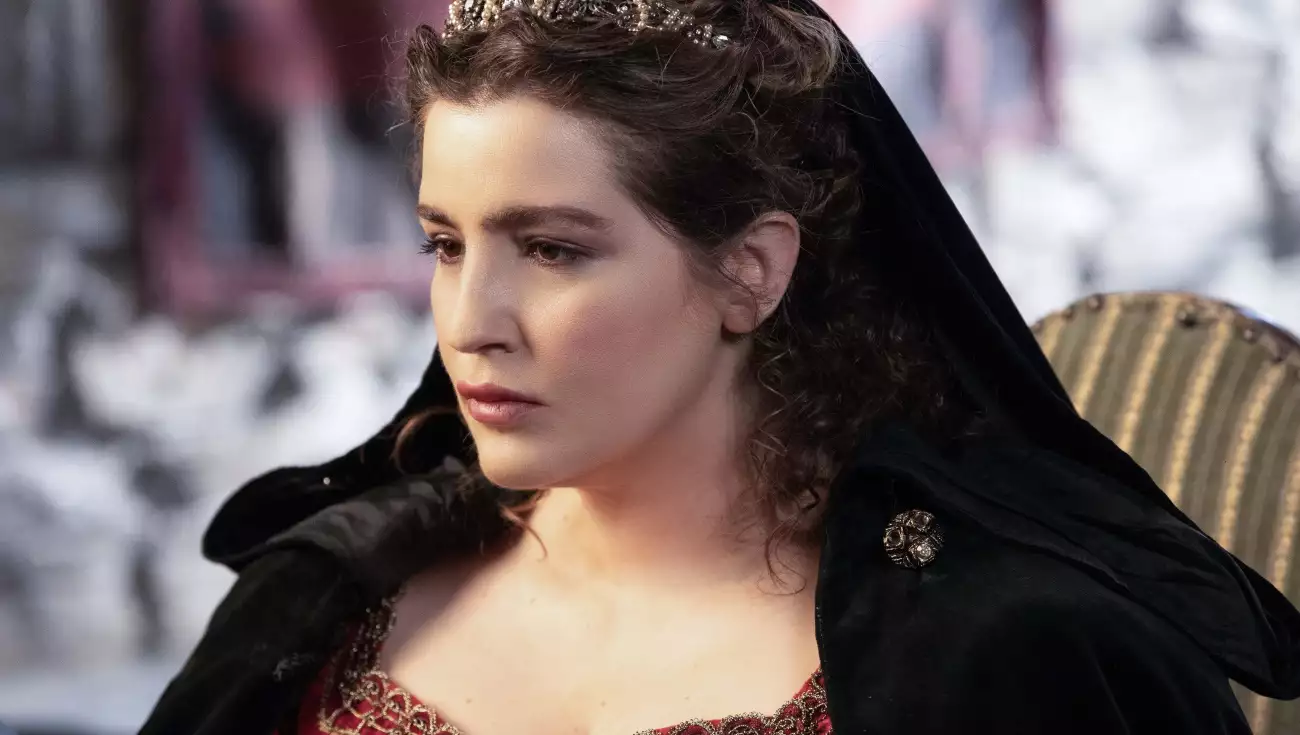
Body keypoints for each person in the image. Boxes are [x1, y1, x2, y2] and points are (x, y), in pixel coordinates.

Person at [139, 1, 1300, 733]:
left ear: (751, 270)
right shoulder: (327, 595)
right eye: (446, 245)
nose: (471, 321)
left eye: (552, 250)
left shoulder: (1009, 657)